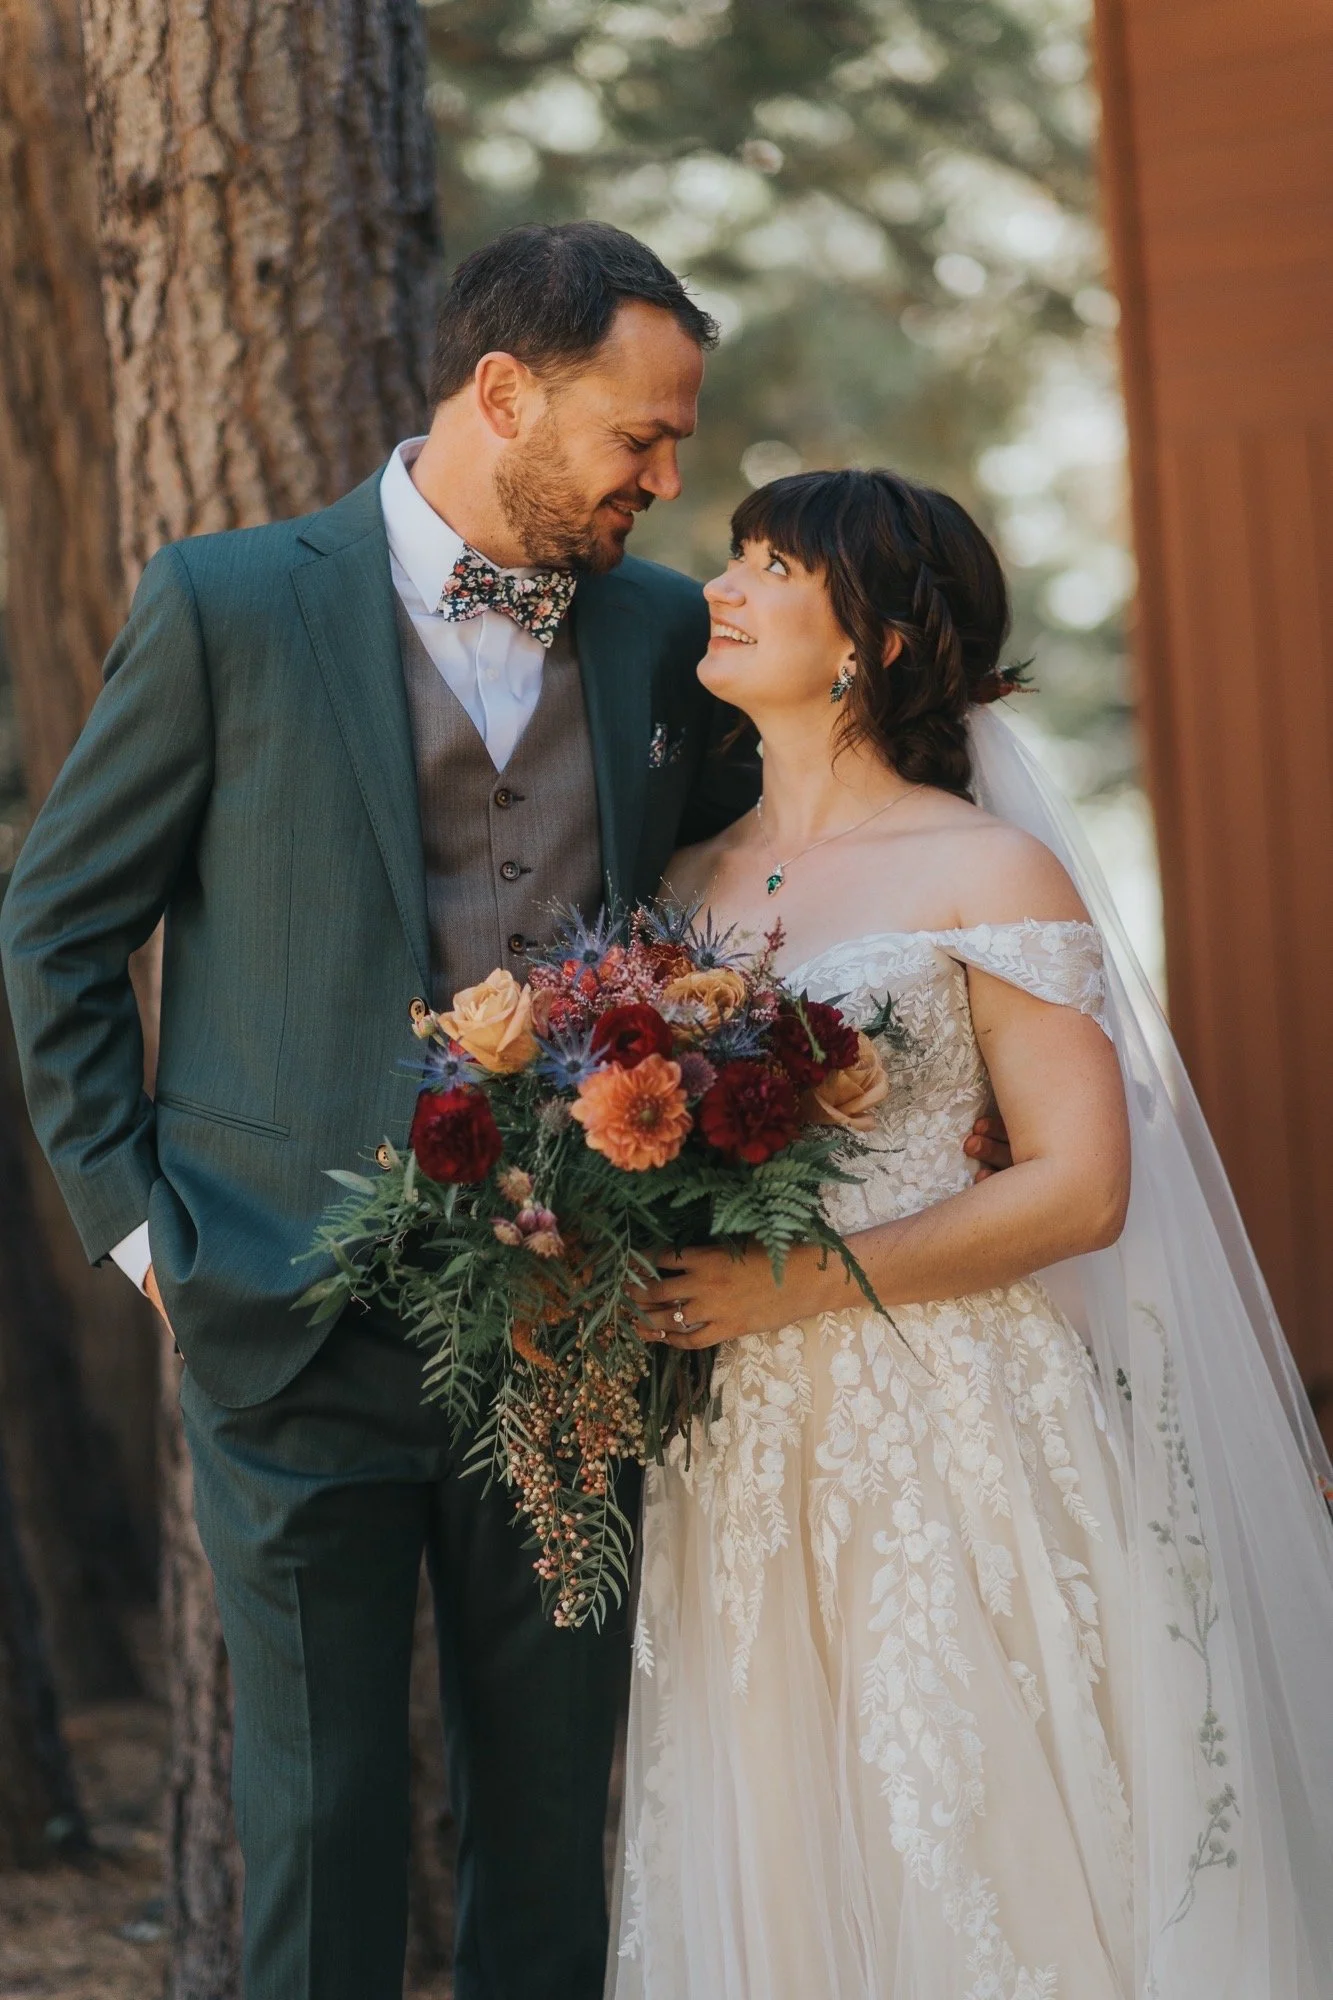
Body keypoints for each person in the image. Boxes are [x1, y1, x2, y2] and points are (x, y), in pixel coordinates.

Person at [0, 221, 1012, 1997]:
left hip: (577, 1320)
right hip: (281, 1304)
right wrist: (145, 1229)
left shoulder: (648, 632)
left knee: (551, 1817)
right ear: (502, 394)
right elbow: (61, 922)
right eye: (642, 437)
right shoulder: (227, 604)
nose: (670, 479)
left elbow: (780, 861)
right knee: (317, 1824)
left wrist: (948, 1037)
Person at [613, 468, 1333, 1999]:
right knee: (787, 1816)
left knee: (964, 1806)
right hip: (742, 1440)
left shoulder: (987, 869)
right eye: (730, 555)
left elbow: (1081, 1186)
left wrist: (793, 1284)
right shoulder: (682, 887)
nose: (719, 588)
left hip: (951, 1420)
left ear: (865, 639)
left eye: (765, 565)